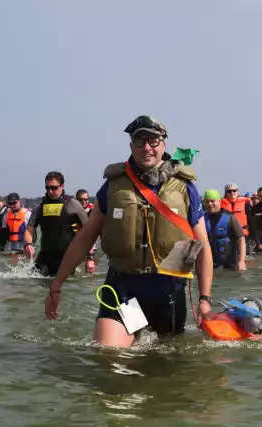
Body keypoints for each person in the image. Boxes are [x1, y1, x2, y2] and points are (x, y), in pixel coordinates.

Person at [44, 115, 213, 348]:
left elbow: (203, 246)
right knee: (109, 355)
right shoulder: (113, 185)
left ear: (163, 144)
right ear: (131, 145)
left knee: (162, 369)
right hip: (124, 291)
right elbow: (85, 237)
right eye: (140, 141)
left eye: (153, 141)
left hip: (167, 294)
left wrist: (204, 299)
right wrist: (57, 285)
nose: (147, 148)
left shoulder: (185, 188)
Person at [22, 172, 89, 276]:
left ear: (62, 186)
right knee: (35, 288)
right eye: (47, 188)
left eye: (54, 188)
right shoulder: (40, 206)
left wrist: (90, 258)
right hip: (44, 258)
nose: (50, 191)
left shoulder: (73, 204)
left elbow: (90, 231)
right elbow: (29, 229)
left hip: (66, 259)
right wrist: (28, 244)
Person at [203, 189, 247, 271]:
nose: (210, 204)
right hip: (211, 264)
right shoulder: (201, 219)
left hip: (230, 264)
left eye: (212, 201)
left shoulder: (230, 218)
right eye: (207, 202)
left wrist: (241, 261)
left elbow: (241, 239)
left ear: (219, 201)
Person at [76, 188, 97, 273]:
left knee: (89, 267)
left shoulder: (93, 210)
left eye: (85, 199)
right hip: (76, 242)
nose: (83, 201)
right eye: (81, 199)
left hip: (90, 242)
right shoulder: (72, 210)